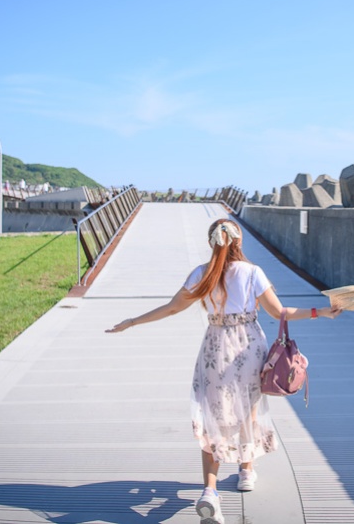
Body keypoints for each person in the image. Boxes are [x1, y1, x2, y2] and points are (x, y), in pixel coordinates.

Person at [106, 218, 341, 524]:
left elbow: (173, 307)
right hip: (248, 348)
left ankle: (210, 492)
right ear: (238, 242)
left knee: (213, 417)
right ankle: (246, 470)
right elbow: (279, 312)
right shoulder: (252, 272)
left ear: (211, 242)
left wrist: (133, 321)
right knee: (248, 410)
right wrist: (320, 311)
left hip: (214, 349)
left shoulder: (200, 274)